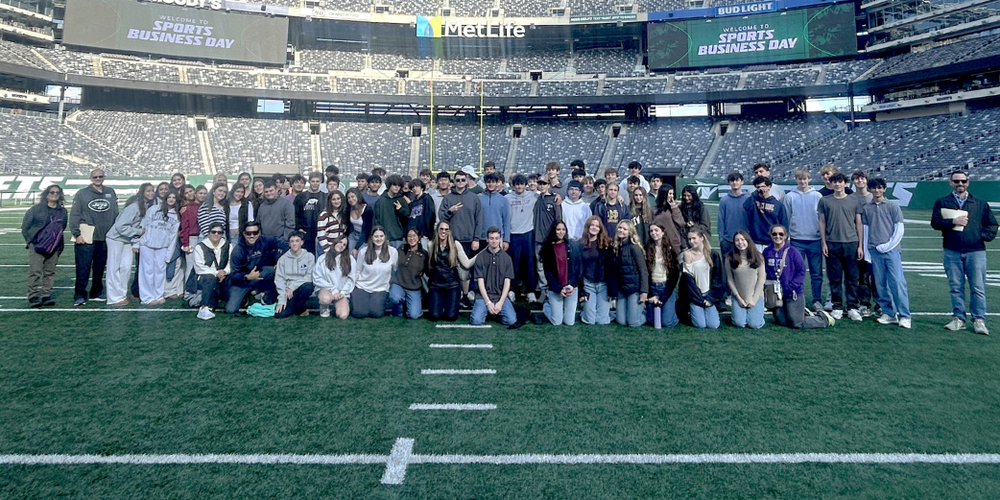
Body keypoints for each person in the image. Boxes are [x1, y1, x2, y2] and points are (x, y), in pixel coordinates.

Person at [931, 170, 998, 335]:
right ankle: (958, 318)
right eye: (956, 181)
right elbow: (935, 223)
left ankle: (979, 320)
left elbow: (992, 225)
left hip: (975, 251)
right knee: (955, 287)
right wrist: (952, 222)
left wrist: (980, 237)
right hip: (951, 250)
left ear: (968, 182)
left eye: (963, 181)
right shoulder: (942, 202)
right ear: (950, 183)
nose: (960, 184)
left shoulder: (980, 203)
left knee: (978, 287)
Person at [862, 177, 911, 329]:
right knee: (880, 284)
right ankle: (889, 313)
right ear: (870, 189)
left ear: (884, 189)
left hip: (891, 251)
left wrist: (888, 246)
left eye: (879, 188)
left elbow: (899, 229)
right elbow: (865, 230)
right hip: (874, 251)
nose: (877, 190)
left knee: (897, 282)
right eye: (874, 188)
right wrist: (866, 252)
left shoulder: (892, 206)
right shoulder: (867, 208)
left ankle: (904, 315)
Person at [764, 224, 835, 329]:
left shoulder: (793, 251)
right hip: (776, 293)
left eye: (781, 234)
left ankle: (823, 318)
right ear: (770, 235)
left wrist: (791, 286)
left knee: (796, 323)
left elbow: (802, 271)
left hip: (792, 293)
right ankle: (802, 312)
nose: (777, 236)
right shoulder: (767, 252)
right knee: (782, 321)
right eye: (774, 234)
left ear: (785, 236)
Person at [818, 173, 864, 321]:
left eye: (840, 182)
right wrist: (824, 242)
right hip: (832, 243)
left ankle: (852, 306)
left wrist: (860, 245)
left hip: (851, 242)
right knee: (835, 277)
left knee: (852, 277)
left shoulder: (854, 201)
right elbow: (822, 222)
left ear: (845, 183)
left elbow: (858, 223)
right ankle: (837, 305)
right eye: (834, 182)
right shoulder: (825, 201)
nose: (837, 184)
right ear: (830, 184)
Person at [70, 168, 118, 306]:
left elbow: (115, 213)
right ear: (91, 179)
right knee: (83, 267)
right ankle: (79, 294)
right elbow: (74, 214)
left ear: (104, 177)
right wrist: (76, 233)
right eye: (95, 177)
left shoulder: (110, 192)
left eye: (100, 176)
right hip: (86, 236)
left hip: (105, 237)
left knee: (100, 267)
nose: (98, 179)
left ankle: (96, 292)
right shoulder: (82, 193)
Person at [104, 183, 153, 307]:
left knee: (126, 268)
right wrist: (138, 232)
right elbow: (120, 226)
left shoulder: (146, 206)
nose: (151, 193)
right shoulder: (134, 207)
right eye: (148, 191)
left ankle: (121, 294)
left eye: (152, 191)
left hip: (127, 240)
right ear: (142, 193)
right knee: (113, 268)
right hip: (115, 238)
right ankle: (113, 298)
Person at [783, 168, 825, 312]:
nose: (803, 181)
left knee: (816, 273)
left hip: (814, 240)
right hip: (796, 240)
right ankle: (798, 297)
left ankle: (817, 300)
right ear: (796, 179)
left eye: (805, 178)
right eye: (800, 179)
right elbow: (786, 218)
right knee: (797, 272)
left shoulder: (817, 196)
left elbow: (821, 218)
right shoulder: (790, 197)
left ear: (809, 179)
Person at [440, 169, 483, 304]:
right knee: (451, 268)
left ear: (467, 181)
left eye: (463, 180)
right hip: (452, 239)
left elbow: (479, 220)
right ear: (454, 181)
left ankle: (467, 293)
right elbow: (441, 217)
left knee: (467, 269)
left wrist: (476, 238)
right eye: (457, 180)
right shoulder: (448, 198)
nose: (460, 182)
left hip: (469, 239)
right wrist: (450, 211)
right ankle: (455, 293)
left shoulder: (474, 198)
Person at [226, 221, 287, 315]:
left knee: (275, 271)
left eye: (255, 233)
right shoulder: (238, 250)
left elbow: (285, 244)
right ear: (243, 234)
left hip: (259, 274)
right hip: (241, 282)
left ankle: (267, 296)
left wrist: (280, 260)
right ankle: (246, 296)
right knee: (231, 310)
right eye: (248, 233)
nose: (252, 236)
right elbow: (233, 275)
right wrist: (247, 277)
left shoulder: (263, 241)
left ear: (259, 233)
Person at [22, 184, 68, 308]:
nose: (54, 194)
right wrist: (31, 241)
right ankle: (33, 295)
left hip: (54, 246)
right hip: (37, 245)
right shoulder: (36, 209)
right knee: (35, 271)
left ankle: (46, 295)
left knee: (50, 272)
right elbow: (25, 227)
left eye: (57, 193)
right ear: (46, 194)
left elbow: (62, 227)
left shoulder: (62, 211)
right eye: (52, 192)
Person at [427, 221, 475, 322]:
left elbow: (466, 264)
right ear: (437, 230)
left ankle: (451, 299)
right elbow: (430, 267)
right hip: (436, 285)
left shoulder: (455, 244)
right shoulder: (431, 245)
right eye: (441, 229)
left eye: (446, 229)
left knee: (451, 317)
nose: (443, 232)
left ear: (449, 231)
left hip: (452, 285)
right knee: (434, 316)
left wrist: (481, 254)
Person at [138, 190, 180, 305]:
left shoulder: (175, 216)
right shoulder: (154, 209)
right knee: (147, 271)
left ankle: (159, 294)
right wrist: (136, 243)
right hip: (147, 245)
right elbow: (143, 225)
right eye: (169, 197)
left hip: (163, 247)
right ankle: (147, 297)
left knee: (160, 271)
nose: (171, 199)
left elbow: (172, 237)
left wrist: (169, 254)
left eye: (174, 197)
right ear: (165, 198)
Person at [679, 228, 726, 329]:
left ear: (701, 238)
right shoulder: (687, 254)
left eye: (694, 238)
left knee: (713, 325)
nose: (691, 241)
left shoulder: (712, 254)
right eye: (689, 239)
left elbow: (718, 279)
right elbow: (688, 281)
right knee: (700, 324)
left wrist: (710, 299)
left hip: (709, 295)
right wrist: (698, 299)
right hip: (695, 296)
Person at [540, 221, 584, 326]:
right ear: (554, 231)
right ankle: (547, 306)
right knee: (557, 322)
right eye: (558, 229)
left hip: (571, 287)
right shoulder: (548, 248)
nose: (561, 232)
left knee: (569, 322)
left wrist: (572, 285)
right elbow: (548, 272)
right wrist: (558, 289)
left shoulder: (572, 246)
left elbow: (577, 267)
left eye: (563, 229)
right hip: (556, 289)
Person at [471, 226, 516, 326]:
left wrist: (500, 303)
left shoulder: (507, 258)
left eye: (496, 238)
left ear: (500, 239)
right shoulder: (480, 257)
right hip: (483, 297)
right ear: (487, 239)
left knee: (511, 321)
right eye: (491, 238)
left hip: (500, 296)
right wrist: (488, 302)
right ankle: (489, 311)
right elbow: (480, 282)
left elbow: (507, 283)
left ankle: (495, 313)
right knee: (476, 321)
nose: (494, 241)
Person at [606, 220, 648, 328]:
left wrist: (644, 291)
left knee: (633, 323)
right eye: (620, 228)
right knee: (621, 321)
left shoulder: (635, 248)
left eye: (625, 229)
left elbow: (643, 270)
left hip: (634, 289)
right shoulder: (615, 247)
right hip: (622, 290)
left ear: (630, 232)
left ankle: (647, 315)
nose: (621, 231)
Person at [352, 226, 398, 318]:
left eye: (381, 236)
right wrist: (353, 286)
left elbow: (395, 270)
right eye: (376, 236)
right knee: (360, 313)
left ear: (385, 237)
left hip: (380, 289)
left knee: (376, 313)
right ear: (371, 237)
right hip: (362, 287)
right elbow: (358, 270)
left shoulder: (393, 252)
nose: (379, 239)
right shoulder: (363, 251)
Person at [506, 174, 539, 301]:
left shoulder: (533, 195)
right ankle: (512, 289)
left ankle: (530, 290)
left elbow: (547, 193)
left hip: (528, 233)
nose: (519, 187)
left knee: (529, 263)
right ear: (513, 185)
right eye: (517, 184)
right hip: (513, 234)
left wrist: (557, 196)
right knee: (514, 263)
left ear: (525, 185)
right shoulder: (507, 198)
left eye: (521, 184)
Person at [725, 231, 766, 329]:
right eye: (737, 240)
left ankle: (757, 313)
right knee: (740, 323)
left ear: (748, 241)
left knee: (754, 325)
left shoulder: (758, 256)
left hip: (755, 296)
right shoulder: (729, 258)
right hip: (739, 297)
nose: (740, 242)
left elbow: (761, 279)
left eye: (743, 239)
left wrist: (754, 299)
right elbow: (730, 279)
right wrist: (738, 298)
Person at [193, 222, 232, 320]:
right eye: (213, 232)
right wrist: (216, 273)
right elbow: (199, 267)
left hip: (223, 276)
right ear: (209, 233)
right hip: (205, 278)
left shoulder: (228, 246)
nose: (216, 234)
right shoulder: (200, 247)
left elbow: (231, 263)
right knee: (210, 278)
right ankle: (204, 307)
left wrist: (225, 272)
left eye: (219, 232)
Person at [645, 223, 680, 329]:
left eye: (656, 230)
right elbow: (645, 273)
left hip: (666, 287)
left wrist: (664, 297)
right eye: (651, 231)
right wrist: (650, 295)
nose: (653, 233)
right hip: (653, 287)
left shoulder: (670, 249)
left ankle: (676, 313)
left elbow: (675, 275)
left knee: (666, 323)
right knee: (651, 321)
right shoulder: (647, 248)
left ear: (662, 232)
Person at [274, 232, 316, 318]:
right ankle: (300, 308)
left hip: (301, 287)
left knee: (308, 286)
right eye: (292, 241)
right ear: (289, 244)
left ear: (302, 242)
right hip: (287, 291)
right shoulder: (282, 259)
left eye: (297, 241)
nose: (294, 243)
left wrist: (292, 287)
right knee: (279, 315)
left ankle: (299, 306)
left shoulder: (309, 257)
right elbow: (279, 280)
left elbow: (309, 277)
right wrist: (282, 299)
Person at [313, 235, 356, 319]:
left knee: (343, 315)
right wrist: (333, 290)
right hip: (326, 289)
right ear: (335, 242)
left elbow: (351, 279)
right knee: (325, 299)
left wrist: (342, 293)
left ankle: (336, 306)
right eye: (340, 242)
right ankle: (324, 307)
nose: (341, 245)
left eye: (344, 244)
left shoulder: (350, 260)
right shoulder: (322, 258)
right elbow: (317, 278)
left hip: (341, 293)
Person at [851, 170, 875, 317]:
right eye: (856, 179)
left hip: (875, 240)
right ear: (853, 182)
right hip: (857, 240)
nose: (860, 181)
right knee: (862, 276)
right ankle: (864, 304)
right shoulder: (851, 198)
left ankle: (880, 304)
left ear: (866, 180)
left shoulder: (874, 196)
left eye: (862, 178)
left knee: (877, 276)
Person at [389, 229, 428, 320]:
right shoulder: (401, 249)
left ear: (419, 238)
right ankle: (398, 311)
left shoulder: (424, 254)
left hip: (414, 287)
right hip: (399, 283)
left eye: (414, 236)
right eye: (409, 236)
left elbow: (427, 270)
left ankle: (411, 305)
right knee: (395, 297)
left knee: (414, 315)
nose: (412, 238)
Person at [580, 216, 612, 325]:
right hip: (588, 284)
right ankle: (585, 311)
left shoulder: (607, 244)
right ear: (587, 227)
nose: (594, 228)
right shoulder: (580, 244)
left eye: (597, 226)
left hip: (603, 285)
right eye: (592, 225)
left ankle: (606, 312)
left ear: (600, 229)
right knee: (590, 321)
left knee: (602, 321)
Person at [745, 176, 789, 250]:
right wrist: (755, 194)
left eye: (763, 186)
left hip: (772, 242)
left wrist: (782, 241)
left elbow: (784, 224)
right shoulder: (753, 201)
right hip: (755, 241)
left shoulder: (778, 205)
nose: (761, 189)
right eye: (758, 187)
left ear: (769, 187)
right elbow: (746, 207)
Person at [373, 174, 411, 248]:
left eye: (399, 185)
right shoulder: (380, 201)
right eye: (394, 185)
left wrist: (400, 210)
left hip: (399, 238)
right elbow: (376, 220)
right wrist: (379, 236)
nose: (397, 187)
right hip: (384, 238)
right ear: (389, 185)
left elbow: (407, 217)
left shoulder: (401, 200)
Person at [717, 171, 749, 257]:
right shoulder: (724, 200)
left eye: (737, 180)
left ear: (742, 182)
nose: (734, 182)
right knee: (727, 267)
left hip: (744, 240)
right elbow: (721, 220)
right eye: (732, 180)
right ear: (729, 183)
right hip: (728, 241)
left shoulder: (748, 199)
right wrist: (722, 239)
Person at [294, 172, 325, 255]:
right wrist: (298, 228)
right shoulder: (300, 197)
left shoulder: (325, 197)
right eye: (313, 181)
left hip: (320, 231)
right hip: (305, 232)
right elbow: (295, 214)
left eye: (317, 181)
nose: (315, 184)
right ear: (309, 181)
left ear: (320, 182)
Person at [480, 172, 511, 250]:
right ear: (485, 183)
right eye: (488, 182)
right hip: (482, 238)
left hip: (497, 238)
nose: (490, 184)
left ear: (496, 183)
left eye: (493, 182)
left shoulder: (503, 200)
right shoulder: (479, 199)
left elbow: (506, 221)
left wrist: (506, 240)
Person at [652, 185, 686, 256]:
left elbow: (681, 223)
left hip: (674, 242)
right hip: (660, 242)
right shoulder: (654, 210)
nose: (672, 196)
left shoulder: (674, 208)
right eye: (670, 193)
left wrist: (674, 208)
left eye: (673, 194)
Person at [406, 178, 436, 249]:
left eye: (416, 186)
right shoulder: (413, 202)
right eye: (413, 187)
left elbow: (430, 215)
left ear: (422, 187)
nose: (414, 188)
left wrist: (426, 232)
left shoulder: (427, 198)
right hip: (414, 235)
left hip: (423, 235)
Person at [317, 190, 349, 255]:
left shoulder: (344, 214)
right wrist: (328, 250)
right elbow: (321, 235)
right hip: (327, 249)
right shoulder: (324, 215)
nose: (336, 201)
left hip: (340, 249)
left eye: (338, 199)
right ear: (330, 201)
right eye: (333, 199)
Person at [346, 187, 374, 255]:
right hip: (353, 235)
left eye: (352, 196)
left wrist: (356, 248)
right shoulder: (349, 208)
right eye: (348, 198)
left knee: (361, 254)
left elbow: (366, 231)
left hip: (364, 237)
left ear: (358, 196)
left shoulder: (367, 209)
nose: (351, 199)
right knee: (350, 255)